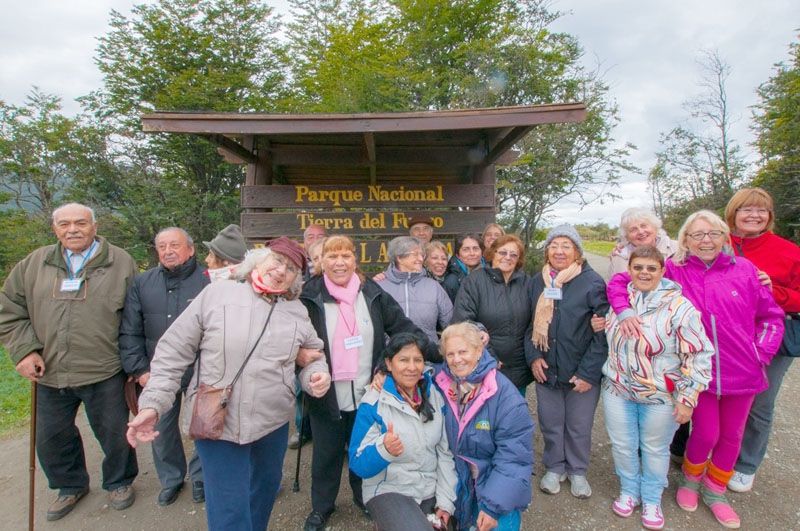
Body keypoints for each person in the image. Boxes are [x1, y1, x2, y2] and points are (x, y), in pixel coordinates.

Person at [126, 238, 331, 531]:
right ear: (258, 261)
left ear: (296, 279)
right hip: (218, 422)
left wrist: (316, 374)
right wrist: (153, 404)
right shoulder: (217, 294)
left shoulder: (296, 311)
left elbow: (313, 354)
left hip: (272, 423)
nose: (281, 270)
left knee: (262, 495)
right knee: (229, 509)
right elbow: (173, 351)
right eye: (276, 260)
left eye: (290, 268)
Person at [607, 210, 785, 528]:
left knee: (732, 435)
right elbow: (627, 278)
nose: (706, 240)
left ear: (724, 236)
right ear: (686, 240)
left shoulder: (745, 270)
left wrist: (762, 353)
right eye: (698, 234)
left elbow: (771, 316)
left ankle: (715, 491)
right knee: (705, 432)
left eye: (713, 233)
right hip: (699, 371)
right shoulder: (675, 270)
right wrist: (620, 309)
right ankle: (690, 481)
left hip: (741, 367)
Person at [0, 203, 138, 521]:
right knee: (51, 437)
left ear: (94, 226)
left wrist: (134, 362)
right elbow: (10, 310)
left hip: (103, 367)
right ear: (55, 229)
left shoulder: (120, 262)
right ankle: (69, 485)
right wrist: (24, 351)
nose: (72, 229)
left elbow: (135, 316)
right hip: (49, 370)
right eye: (64, 224)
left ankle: (120, 482)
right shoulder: (34, 264)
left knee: (115, 433)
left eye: (80, 223)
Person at [299, 235, 441, 531]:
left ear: (355, 260)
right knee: (326, 453)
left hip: (368, 390)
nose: (340, 263)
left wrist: (439, 353)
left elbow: (401, 325)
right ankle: (321, 507)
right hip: (327, 393)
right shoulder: (307, 295)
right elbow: (294, 338)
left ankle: (363, 498)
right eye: (332, 256)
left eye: (346, 256)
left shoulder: (371, 292)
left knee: (362, 447)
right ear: (321, 261)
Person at [602, 245, 713, 530]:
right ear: (629, 270)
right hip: (618, 390)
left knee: (654, 449)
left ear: (662, 271)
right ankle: (629, 492)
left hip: (660, 396)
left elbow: (699, 354)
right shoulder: (620, 302)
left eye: (651, 268)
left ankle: (652, 498)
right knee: (624, 446)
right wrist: (598, 324)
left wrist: (688, 397)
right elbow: (612, 336)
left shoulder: (680, 307)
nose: (644, 273)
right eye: (638, 267)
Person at [119, 227, 209, 506]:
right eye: (162, 247)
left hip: (201, 369)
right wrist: (139, 369)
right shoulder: (142, 282)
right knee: (160, 428)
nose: (168, 251)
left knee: (202, 426)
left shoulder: (209, 280)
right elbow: (130, 330)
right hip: (157, 372)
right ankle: (171, 479)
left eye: (175, 245)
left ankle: (201, 477)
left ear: (191, 249)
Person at [723, 188, 800, 493]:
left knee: (759, 402)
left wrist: (773, 291)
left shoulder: (789, 251)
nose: (754, 215)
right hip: (727, 333)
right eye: (746, 210)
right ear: (734, 213)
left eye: (761, 210)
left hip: (771, 336)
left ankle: (746, 463)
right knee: (719, 396)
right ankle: (718, 456)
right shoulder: (719, 242)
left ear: (769, 216)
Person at [524, 224, 608, 499]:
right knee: (551, 422)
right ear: (547, 250)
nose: (559, 251)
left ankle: (577, 470)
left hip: (580, 371)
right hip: (547, 369)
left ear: (577, 252)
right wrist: (534, 356)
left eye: (566, 246)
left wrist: (588, 373)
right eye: (554, 245)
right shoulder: (538, 281)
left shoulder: (592, 281)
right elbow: (528, 325)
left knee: (579, 425)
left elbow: (602, 332)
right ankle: (554, 467)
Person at [349, 333, 457, 531]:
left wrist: (446, 501)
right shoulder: (374, 402)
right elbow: (357, 462)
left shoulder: (434, 395)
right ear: (389, 364)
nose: (412, 367)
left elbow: (444, 453)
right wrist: (384, 450)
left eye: (418, 360)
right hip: (389, 490)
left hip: (429, 488)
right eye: (403, 360)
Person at [435, 322, 534, 530]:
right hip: (459, 484)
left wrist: (492, 507)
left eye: (463, 351)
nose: (456, 359)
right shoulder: (441, 383)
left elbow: (513, 459)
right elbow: (407, 369)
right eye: (450, 354)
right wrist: (382, 372)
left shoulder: (505, 396)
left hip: (493, 486)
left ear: (479, 351)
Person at [453, 234, 533, 391]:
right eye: (502, 252)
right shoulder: (475, 281)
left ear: (519, 259)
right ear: (492, 254)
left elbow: (536, 321)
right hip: (485, 365)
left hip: (519, 369)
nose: (507, 257)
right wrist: (489, 357)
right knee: (486, 414)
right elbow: (463, 321)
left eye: (513, 254)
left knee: (514, 412)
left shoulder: (527, 283)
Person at [377, 236, 453, 343]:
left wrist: (438, 349)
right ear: (399, 257)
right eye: (415, 254)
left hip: (427, 357)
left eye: (422, 255)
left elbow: (451, 325)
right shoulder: (379, 286)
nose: (421, 259)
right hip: (391, 355)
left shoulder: (433, 286)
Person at [608, 208, 677, 277]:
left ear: (655, 227)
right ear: (626, 236)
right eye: (633, 229)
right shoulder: (619, 257)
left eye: (643, 226)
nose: (640, 232)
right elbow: (614, 285)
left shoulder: (678, 249)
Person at [442, 233, 484, 302]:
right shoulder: (451, 282)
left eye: (475, 248)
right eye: (466, 249)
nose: (472, 253)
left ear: (482, 252)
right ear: (458, 255)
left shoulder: (491, 274)